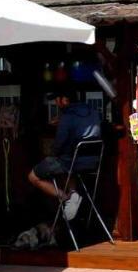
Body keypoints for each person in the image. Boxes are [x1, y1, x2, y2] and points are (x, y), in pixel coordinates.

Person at [28, 85, 102, 219]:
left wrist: (51, 152)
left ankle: (65, 196)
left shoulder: (67, 117)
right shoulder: (93, 111)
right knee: (66, 164)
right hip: (93, 163)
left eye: (57, 100)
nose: (56, 103)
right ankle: (73, 194)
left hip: (71, 163)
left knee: (33, 176)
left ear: (65, 100)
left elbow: (58, 145)